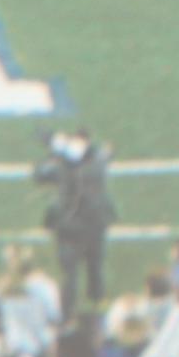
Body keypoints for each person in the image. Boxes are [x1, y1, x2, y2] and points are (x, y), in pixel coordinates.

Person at [35, 125, 113, 316]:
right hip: (96, 223)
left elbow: (40, 175)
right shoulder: (98, 162)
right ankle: (97, 308)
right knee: (95, 270)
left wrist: (53, 151)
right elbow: (105, 153)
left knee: (69, 273)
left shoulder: (61, 167)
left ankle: (68, 313)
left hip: (69, 225)